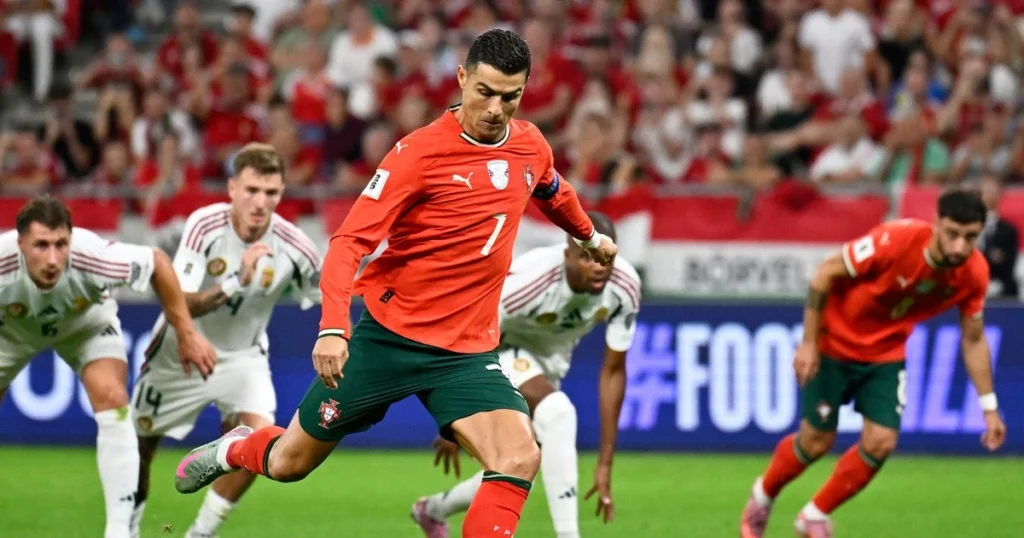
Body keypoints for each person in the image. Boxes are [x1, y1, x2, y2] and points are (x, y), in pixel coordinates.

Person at [172, 28, 616, 538]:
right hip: (389, 339)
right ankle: (237, 448)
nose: (496, 109)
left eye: (510, 97)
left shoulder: (530, 145)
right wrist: (333, 328)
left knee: (519, 455)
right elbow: (348, 243)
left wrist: (588, 236)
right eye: (485, 92)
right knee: (289, 463)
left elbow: (553, 190)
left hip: (466, 352)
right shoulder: (418, 154)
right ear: (462, 78)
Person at [740, 189, 1008, 538]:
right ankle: (762, 496)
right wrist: (808, 343)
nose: (959, 246)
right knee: (815, 442)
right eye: (952, 233)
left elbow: (973, 339)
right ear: (936, 224)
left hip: (885, 354)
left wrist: (989, 407)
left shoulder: (974, 273)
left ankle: (813, 516)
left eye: (970, 237)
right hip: (834, 344)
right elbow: (825, 273)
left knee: (881, 441)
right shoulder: (894, 240)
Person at [129, 144, 322, 538]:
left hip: (243, 357)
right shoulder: (205, 226)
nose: (260, 202)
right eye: (251, 190)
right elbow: (178, 301)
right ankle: (125, 529)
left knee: (263, 443)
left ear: (281, 193)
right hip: (180, 349)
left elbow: (330, 299)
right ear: (232, 188)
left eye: (270, 192)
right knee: (139, 450)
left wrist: (341, 334)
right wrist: (236, 282)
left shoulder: (296, 246)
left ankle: (200, 533)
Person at [411, 211, 640, 538]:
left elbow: (613, 372)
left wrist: (605, 463)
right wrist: (454, 417)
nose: (599, 266)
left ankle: (432, 510)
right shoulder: (528, 282)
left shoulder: (625, 287)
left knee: (520, 463)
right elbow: (469, 332)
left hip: (549, 367)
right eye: (586, 257)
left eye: (605, 257)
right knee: (559, 413)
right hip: (495, 348)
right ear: (567, 256)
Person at [0, 196, 216, 538]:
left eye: (61, 244)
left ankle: (119, 531)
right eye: (41, 245)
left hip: (84, 325)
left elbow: (157, 263)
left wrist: (187, 333)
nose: (53, 258)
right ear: (21, 243)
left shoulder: (92, 256)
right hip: (10, 333)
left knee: (113, 397)